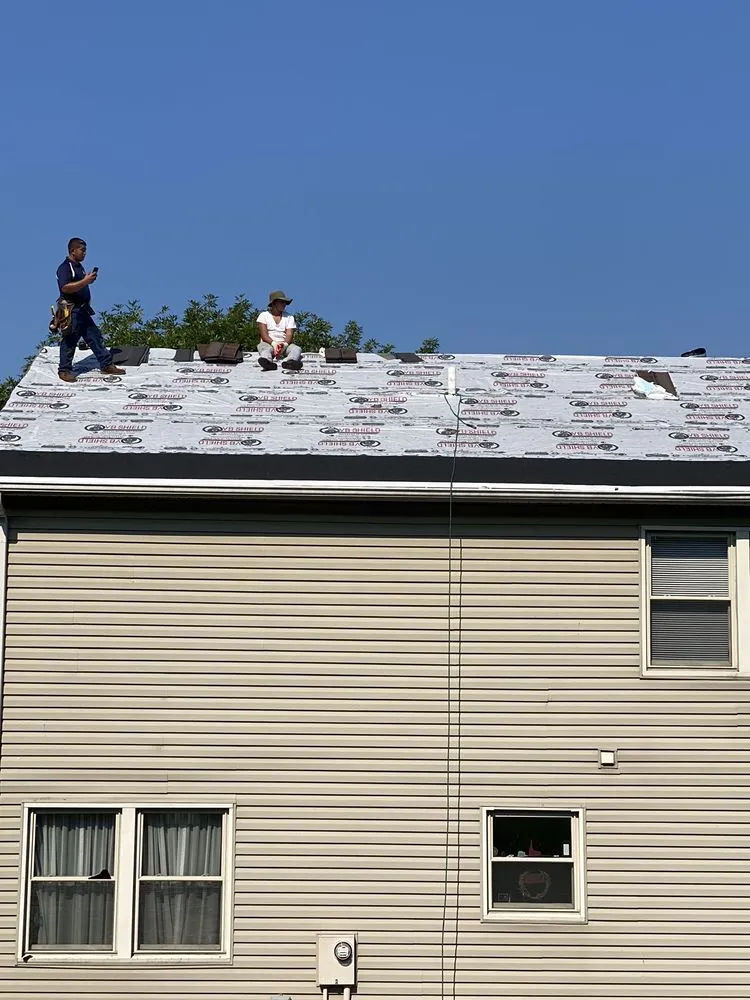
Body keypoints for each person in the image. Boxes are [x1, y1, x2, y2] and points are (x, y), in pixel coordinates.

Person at [56, 238, 125, 383]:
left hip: (82, 310)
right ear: (73, 250)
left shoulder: (79, 267)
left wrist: (87, 280)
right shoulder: (65, 267)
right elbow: (65, 287)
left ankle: (106, 365)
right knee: (70, 340)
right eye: (82, 250)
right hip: (71, 310)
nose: (85, 253)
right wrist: (85, 281)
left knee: (95, 337)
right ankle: (64, 370)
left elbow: (79, 285)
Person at [256, 290, 303, 371]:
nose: (284, 304)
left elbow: (289, 334)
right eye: (282, 302)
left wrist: (284, 345)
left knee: (296, 349)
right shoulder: (263, 315)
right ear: (274, 303)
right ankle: (267, 362)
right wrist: (274, 344)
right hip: (268, 343)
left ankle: (290, 362)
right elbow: (264, 335)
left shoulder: (289, 317)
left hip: (284, 345)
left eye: (285, 302)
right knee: (265, 349)